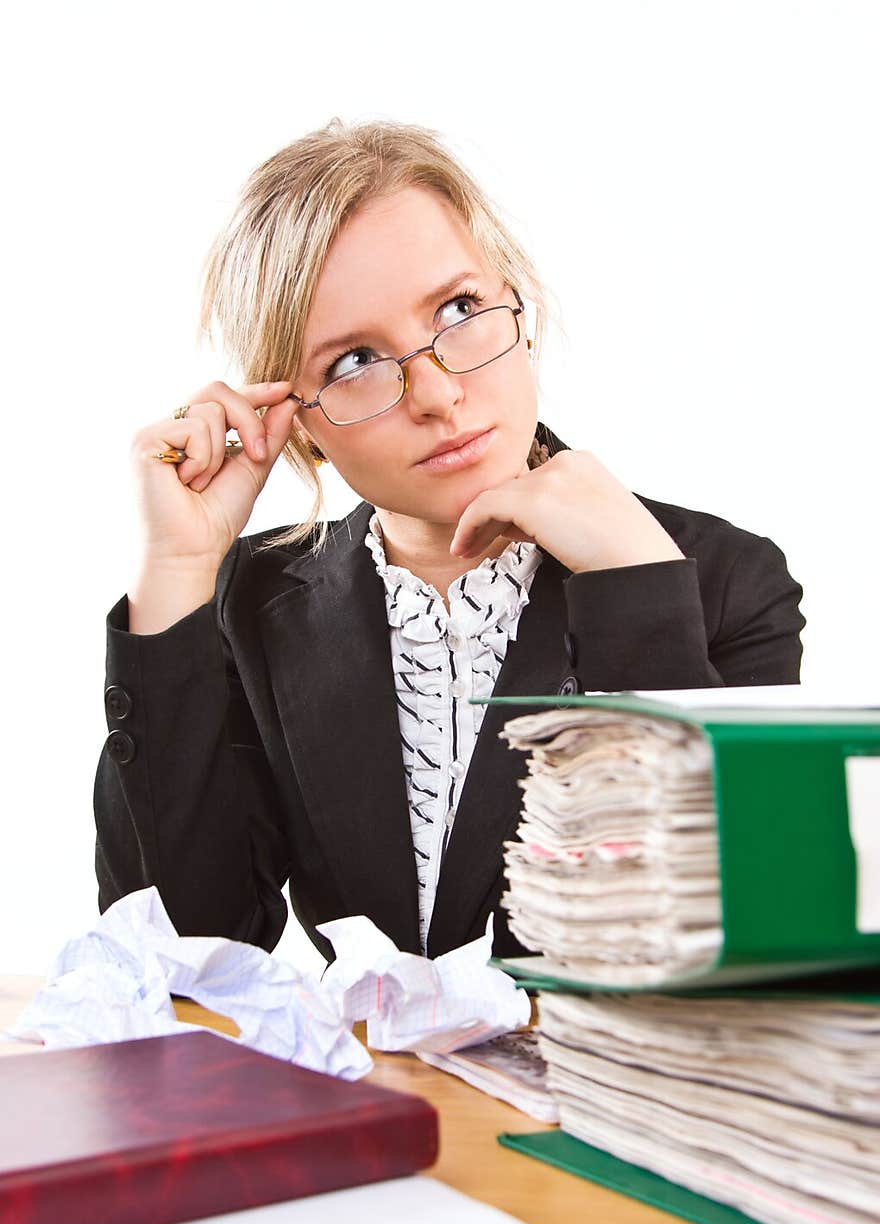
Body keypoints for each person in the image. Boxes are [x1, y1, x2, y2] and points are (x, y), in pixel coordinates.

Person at [93, 117, 805, 966]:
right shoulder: (258, 599)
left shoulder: (719, 578)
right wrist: (176, 570)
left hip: (616, 1095)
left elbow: (737, 932)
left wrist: (633, 587)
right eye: (354, 361)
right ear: (303, 429)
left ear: (520, 306)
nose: (436, 394)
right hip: (384, 1093)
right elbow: (184, 951)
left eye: (460, 309)